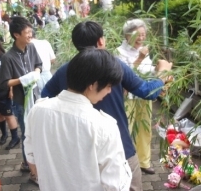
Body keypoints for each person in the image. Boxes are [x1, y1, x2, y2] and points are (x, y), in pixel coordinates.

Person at [41, 21, 173, 191]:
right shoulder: (114, 65)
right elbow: (148, 91)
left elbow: (44, 98)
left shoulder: (65, 70)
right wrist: (162, 74)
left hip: (79, 147)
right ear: (101, 41)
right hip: (119, 146)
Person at [25, 49, 132, 190]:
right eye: (108, 86)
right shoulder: (104, 126)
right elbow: (115, 185)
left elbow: (31, 158)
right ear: (92, 85)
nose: (109, 91)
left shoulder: (37, 111)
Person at [0, 16, 42, 176]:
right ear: (17, 35)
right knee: (26, 133)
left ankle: (37, 159)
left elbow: (38, 64)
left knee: (37, 130)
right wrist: (23, 80)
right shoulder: (8, 57)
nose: (30, 35)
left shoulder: (31, 48)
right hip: (20, 102)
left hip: (36, 97)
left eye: (31, 31)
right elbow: (4, 83)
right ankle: (27, 164)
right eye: (27, 32)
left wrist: (36, 73)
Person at [116, 19, 155, 174]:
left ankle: (144, 162)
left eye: (143, 35)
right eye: (137, 35)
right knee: (127, 129)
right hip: (128, 97)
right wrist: (139, 58)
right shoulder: (119, 52)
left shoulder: (144, 50)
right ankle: (124, 163)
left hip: (144, 95)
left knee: (145, 129)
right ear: (127, 35)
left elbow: (148, 71)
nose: (141, 38)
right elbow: (124, 76)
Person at [31, 29, 56, 93]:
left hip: (34, 76)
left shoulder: (27, 45)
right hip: (47, 74)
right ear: (35, 36)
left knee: (38, 100)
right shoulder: (45, 42)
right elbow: (53, 59)